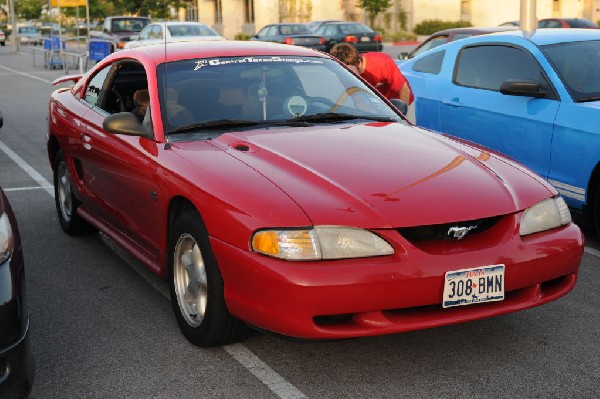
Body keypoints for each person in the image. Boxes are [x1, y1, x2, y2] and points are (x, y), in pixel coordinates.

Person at [330, 43, 414, 110]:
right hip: (381, 105)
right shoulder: (343, 74)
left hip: (403, 100)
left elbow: (404, 89)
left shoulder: (381, 62)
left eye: (349, 71)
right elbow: (358, 98)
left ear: (357, 62)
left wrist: (402, 115)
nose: (347, 75)